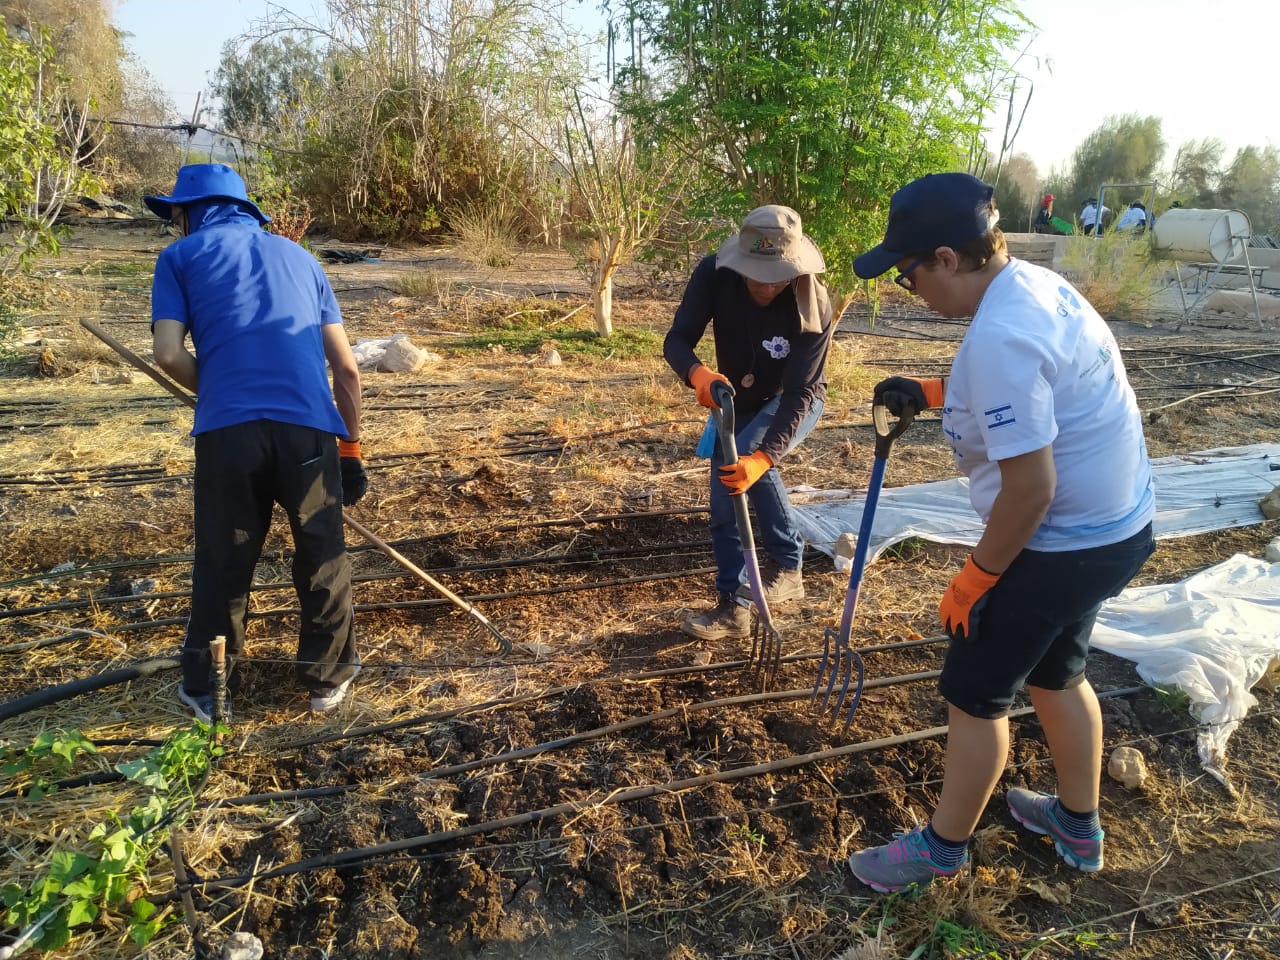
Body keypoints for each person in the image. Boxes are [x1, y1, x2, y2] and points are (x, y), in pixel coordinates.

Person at [844, 172, 1155, 892]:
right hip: (1116, 529)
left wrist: (978, 575)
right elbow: (1037, 391)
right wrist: (930, 393)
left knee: (975, 694)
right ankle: (1076, 825)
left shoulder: (1001, 337)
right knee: (1057, 672)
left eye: (909, 273)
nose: (910, 290)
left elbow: (1031, 489)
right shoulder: (1035, 287)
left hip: (1060, 541)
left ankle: (940, 850)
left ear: (948, 259)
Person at [147, 163, 367, 722]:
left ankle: (208, 688)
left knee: (224, 558)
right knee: (321, 553)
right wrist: (351, 450)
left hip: (228, 434)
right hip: (310, 433)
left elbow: (169, 354)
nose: (175, 225)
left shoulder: (178, 259)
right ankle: (326, 683)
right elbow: (346, 370)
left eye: (176, 214)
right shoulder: (302, 258)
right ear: (246, 209)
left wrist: (219, 392)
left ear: (188, 212)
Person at [664, 205, 835, 640]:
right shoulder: (714, 274)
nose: (768, 283)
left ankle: (788, 565)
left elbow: (798, 393)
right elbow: (677, 339)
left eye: (778, 273)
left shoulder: (812, 305)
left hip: (793, 399)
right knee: (724, 492)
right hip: (735, 398)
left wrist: (763, 458)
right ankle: (733, 605)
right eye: (758, 272)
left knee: (750, 462)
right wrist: (696, 373)